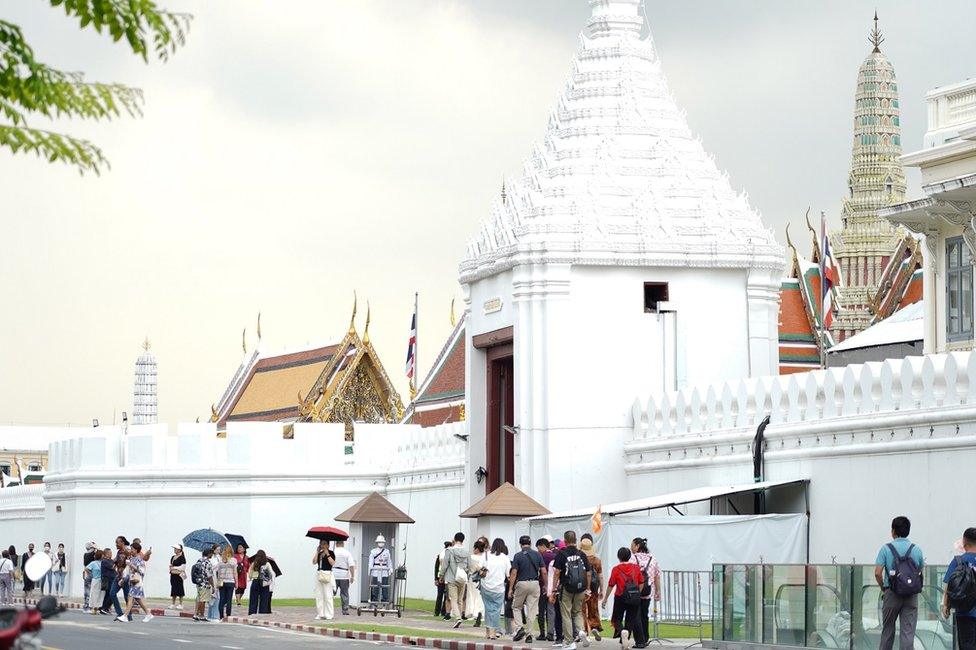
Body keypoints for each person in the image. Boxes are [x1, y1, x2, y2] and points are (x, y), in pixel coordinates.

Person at [875, 515, 925, 650]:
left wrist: (883, 588)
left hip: (891, 593)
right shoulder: (916, 549)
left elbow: (877, 573)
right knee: (908, 633)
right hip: (911, 596)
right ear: (908, 530)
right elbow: (920, 571)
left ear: (893, 531)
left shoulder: (885, 549)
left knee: (888, 630)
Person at [551, 530, 592, 650]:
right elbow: (588, 573)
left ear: (565, 541)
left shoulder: (561, 554)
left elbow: (557, 572)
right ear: (575, 540)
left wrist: (554, 589)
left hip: (567, 588)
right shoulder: (582, 554)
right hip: (580, 588)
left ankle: (569, 641)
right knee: (577, 612)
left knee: (566, 614)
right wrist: (588, 588)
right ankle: (581, 631)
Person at [603, 547, 645, 649]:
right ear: (629, 556)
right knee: (630, 620)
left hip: (620, 596)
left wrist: (605, 599)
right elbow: (642, 582)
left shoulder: (616, 569)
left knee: (617, 619)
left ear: (618, 557)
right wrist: (637, 593)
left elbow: (611, 585)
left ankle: (622, 632)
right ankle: (625, 637)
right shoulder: (636, 567)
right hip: (634, 597)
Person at [943, 528, 976, 650]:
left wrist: (945, 605)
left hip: (964, 613)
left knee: (967, 645)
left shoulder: (959, 561)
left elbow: (949, 585)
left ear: (964, 543)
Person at [509, 535, 543, 643]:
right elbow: (544, 571)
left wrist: (510, 588)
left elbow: (514, 573)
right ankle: (530, 633)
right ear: (531, 543)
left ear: (520, 544)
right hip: (535, 583)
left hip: (522, 583)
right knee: (532, 610)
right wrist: (546, 584)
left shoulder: (517, 556)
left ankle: (519, 627)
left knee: (516, 606)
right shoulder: (537, 554)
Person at [630, 537, 660, 647]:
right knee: (644, 615)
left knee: (635, 615)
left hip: (635, 592)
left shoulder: (633, 559)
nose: (631, 547)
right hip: (647, 592)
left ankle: (640, 641)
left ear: (637, 546)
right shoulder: (653, 559)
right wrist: (658, 591)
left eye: (632, 545)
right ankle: (646, 638)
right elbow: (657, 576)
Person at [437, 532, 470, 628]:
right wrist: (466, 573)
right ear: (463, 540)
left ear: (455, 540)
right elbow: (470, 566)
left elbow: (444, 565)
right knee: (460, 599)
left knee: (453, 599)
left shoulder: (449, 551)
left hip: (451, 578)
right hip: (462, 578)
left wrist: (441, 576)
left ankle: (458, 618)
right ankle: (458, 618)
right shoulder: (466, 552)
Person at [480, 538, 510, 640]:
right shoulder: (505, 558)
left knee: (488, 609)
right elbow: (508, 574)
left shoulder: (486, 555)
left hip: (485, 586)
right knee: (496, 610)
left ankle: (487, 632)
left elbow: (480, 567)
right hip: (499, 588)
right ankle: (493, 633)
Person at [117, 541, 153, 623]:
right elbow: (128, 571)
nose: (131, 550)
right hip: (132, 581)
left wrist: (131, 565)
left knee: (130, 598)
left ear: (136, 550)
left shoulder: (140, 560)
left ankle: (125, 616)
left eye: (132, 549)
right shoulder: (131, 559)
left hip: (137, 582)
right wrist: (123, 579)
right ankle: (148, 613)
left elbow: (142, 571)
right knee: (138, 599)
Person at [580, 537, 604, 642]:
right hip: (594, 588)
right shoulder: (597, 560)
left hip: (582, 588)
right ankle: (594, 627)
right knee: (593, 609)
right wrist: (602, 590)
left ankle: (584, 631)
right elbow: (601, 576)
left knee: (582, 611)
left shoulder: (580, 560)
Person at [312, 540, 336, 621]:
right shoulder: (319, 553)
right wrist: (317, 552)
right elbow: (314, 562)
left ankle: (329, 614)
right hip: (319, 573)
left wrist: (327, 554)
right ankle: (320, 613)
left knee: (328, 595)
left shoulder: (331, 553)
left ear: (328, 545)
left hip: (327, 574)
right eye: (321, 544)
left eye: (324, 544)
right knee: (319, 595)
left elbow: (332, 563)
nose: (322, 545)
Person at [332, 539, 356, 616]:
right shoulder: (347, 553)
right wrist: (352, 576)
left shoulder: (333, 552)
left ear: (336, 544)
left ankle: (329, 609)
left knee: (331, 593)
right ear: (343, 544)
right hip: (344, 575)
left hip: (334, 575)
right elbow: (351, 565)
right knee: (344, 594)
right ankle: (345, 610)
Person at [368, 535, 393, 605]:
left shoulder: (387, 552)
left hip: (384, 571)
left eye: (382, 542)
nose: (381, 543)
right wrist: (369, 571)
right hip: (375, 570)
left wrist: (390, 568)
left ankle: (385, 601)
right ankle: (374, 601)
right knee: (375, 587)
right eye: (379, 542)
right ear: (377, 543)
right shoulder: (373, 551)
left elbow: (389, 562)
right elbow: (371, 562)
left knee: (385, 587)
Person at [467, 539, 486, 627]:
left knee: (472, 595)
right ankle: (480, 612)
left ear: (477, 549)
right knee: (480, 596)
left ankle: (472, 612)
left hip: (472, 578)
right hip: (482, 578)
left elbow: (469, 568)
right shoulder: (485, 557)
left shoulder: (472, 557)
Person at [193, 547, 215, 622]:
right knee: (203, 600)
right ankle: (200, 615)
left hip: (198, 583)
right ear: (209, 554)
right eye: (211, 553)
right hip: (205, 583)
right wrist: (213, 586)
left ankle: (196, 614)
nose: (212, 555)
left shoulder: (199, 560)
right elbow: (209, 575)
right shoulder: (207, 562)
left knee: (199, 598)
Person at [248, 550, 273, 616]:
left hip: (255, 581)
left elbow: (250, 573)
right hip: (264, 583)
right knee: (264, 600)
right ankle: (262, 613)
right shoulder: (267, 564)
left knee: (253, 599)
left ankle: (252, 613)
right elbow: (270, 573)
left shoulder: (254, 563)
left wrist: (250, 578)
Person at [217, 546, 237, 621]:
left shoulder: (221, 561)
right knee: (229, 599)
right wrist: (236, 582)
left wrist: (218, 582)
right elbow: (235, 573)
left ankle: (221, 616)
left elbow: (218, 573)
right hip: (230, 582)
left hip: (222, 582)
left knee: (221, 599)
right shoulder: (233, 561)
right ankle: (228, 615)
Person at [434, 541, 451, 618]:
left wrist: (435, 578)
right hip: (447, 577)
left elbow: (436, 568)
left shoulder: (440, 554)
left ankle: (437, 612)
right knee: (446, 596)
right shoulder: (448, 555)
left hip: (440, 576)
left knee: (440, 595)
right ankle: (443, 611)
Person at [85, 550, 104, 615]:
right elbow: (86, 569)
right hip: (95, 580)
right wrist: (91, 574)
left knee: (101, 594)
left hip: (101, 580)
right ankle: (93, 608)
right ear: (100, 555)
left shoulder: (103, 562)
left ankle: (97, 608)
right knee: (94, 594)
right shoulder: (93, 563)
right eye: (103, 554)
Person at [169, 544, 186, 610]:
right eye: (174, 549)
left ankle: (181, 604)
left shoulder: (182, 557)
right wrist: (171, 567)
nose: (175, 550)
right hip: (173, 575)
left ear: (179, 550)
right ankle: (173, 603)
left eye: (176, 549)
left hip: (179, 575)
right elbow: (171, 565)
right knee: (173, 588)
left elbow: (183, 567)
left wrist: (174, 567)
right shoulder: (173, 557)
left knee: (180, 588)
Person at [82, 542, 97, 609]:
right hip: (93, 573)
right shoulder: (94, 555)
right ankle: (90, 606)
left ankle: (86, 605)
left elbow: (85, 565)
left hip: (86, 573)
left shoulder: (85, 554)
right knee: (92, 590)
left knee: (86, 590)